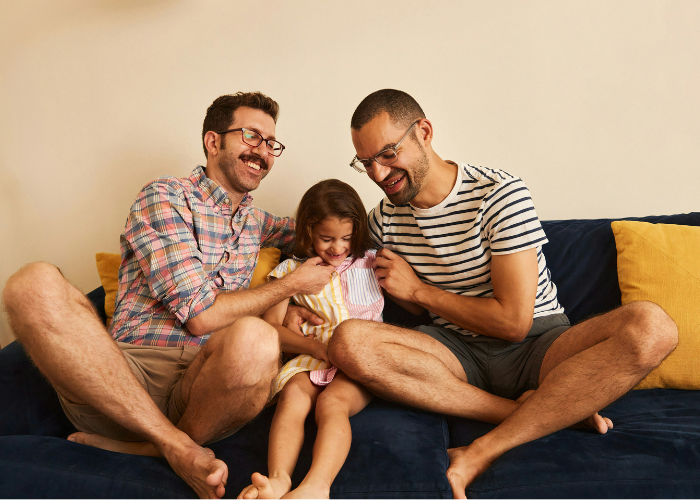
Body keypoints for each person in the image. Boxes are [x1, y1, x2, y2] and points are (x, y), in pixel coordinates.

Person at [325, 89, 679, 498]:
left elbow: (514, 323)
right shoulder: (383, 220)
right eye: (365, 162)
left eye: (388, 154)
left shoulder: (499, 194)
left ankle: (482, 450)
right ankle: (544, 411)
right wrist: (294, 300)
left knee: (653, 327)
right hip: (455, 353)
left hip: (539, 346)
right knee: (348, 341)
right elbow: (352, 268)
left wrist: (420, 291)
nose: (378, 174)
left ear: (423, 132)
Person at [2, 92, 333, 499]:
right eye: (251, 136)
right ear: (213, 142)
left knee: (259, 339)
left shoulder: (257, 222)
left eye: (270, 143)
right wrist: (291, 286)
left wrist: (387, 234)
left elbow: (324, 230)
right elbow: (202, 316)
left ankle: (152, 448)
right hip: (123, 376)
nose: (262, 151)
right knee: (31, 283)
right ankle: (175, 446)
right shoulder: (165, 197)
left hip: (206, 392)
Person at [240, 179, 414, 500]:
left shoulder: (371, 262)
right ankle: (278, 480)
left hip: (360, 362)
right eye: (326, 239)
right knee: (293, 394)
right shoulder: (291, 271)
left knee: (331, 404)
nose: (338, 248)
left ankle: (317, 487)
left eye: (347, 238)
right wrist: (315, 348)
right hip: (312, 357)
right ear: (307, 232)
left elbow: (414, 305)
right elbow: (271, 330)